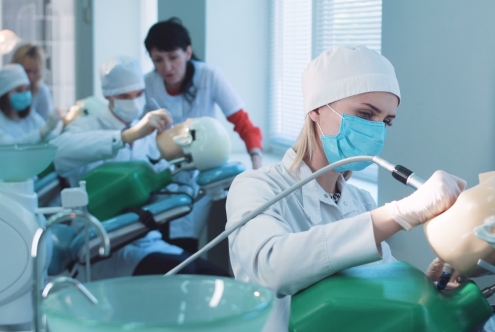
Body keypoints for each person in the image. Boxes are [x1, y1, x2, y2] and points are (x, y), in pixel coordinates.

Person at [226, 46, 469, 331]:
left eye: (386, 122)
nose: (378, 130)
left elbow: (373, 297)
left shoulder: (360, 202)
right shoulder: (256, 187)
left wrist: (422, 287)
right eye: (366, 114)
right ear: (316, 109)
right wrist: (400, 213)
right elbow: (272, 268)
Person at [51, 56, 228, 280]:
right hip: (102, 245)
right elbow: (57, 151)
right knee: (186, 277)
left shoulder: (151, 136)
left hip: (145, 238)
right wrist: (126, 136)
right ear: (108, 96)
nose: (133, 101)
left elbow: (168, 190)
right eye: (124, 96)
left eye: (138, 93)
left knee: (215, 276)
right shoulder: (88, 126)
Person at [143, 17, 264, 251]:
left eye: (173, 57)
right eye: (158, 60)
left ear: (188, 52)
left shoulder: (209, 76)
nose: (167, 67)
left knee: (185, 244)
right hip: (162, 175)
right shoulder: (148, 84)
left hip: (201, 174)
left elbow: (243, 123)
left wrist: (257, 166)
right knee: (159, 244)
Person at [0, 63, 61, 145]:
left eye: (27, 89)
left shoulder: (30, 116)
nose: (24, 93)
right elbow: (11, 148)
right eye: (19, 90)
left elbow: (52, 138)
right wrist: (43, 132)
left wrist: (63, 128)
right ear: (4, 94)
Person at [11, 44, 53, 120]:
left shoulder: (41, 91)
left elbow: (44, 123)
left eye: (35, 72)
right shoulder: (5, 89)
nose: (31, 76)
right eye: (27, 71)